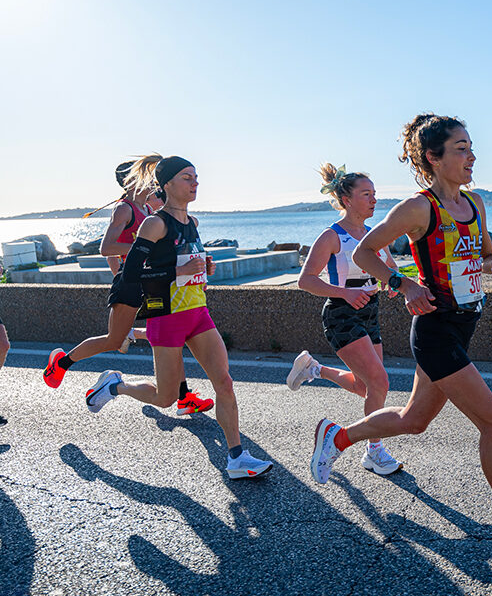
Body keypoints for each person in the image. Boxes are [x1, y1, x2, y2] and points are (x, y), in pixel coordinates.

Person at [309, 114, 492, 552]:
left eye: (471, 147)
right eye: (461, 149)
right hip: (434, 330)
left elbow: (481, 260)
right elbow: (365, 251)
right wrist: (403, 283)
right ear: (433, 157)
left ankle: (337, 437)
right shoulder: (418, 208)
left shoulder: (476, 204)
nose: (472, 156)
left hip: (463, 324)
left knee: (414, 420)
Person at [83, 154, 272, 479]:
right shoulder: (154, 223)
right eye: (187, 177)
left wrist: (203, 266)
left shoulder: (191, 223)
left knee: (224, 383)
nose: (195, 182)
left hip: (198, 312)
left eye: (196, 176)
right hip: (166, 315)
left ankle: (237, 458)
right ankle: (116, 386)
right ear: (167, 184)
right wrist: (178, 269)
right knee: (165, 398)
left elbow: (185, 261)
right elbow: (130, 273)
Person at [43, 163, 212, 417]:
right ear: (134, 180)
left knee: (170, 337)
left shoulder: (149, 208)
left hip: (154, 282)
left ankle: (184, 395)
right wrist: (142, 252)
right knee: (113, 339)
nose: (155, 181)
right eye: (150, 175)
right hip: (132, 281)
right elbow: (107, 248)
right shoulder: (125, 209)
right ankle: (62, 363)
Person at [287, 163, 403, 476]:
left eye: (375, 194)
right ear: (347, 199)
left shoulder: (374, 236)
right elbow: (306, 280)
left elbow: (391, 270)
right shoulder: (331, 236)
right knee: (380, 382)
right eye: (367, 194)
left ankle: (314, 368)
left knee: (368, 388)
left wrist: (397, 285)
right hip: (342, 313)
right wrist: (344, 294)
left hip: (370, 311)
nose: (374, 200)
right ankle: (373, 450)